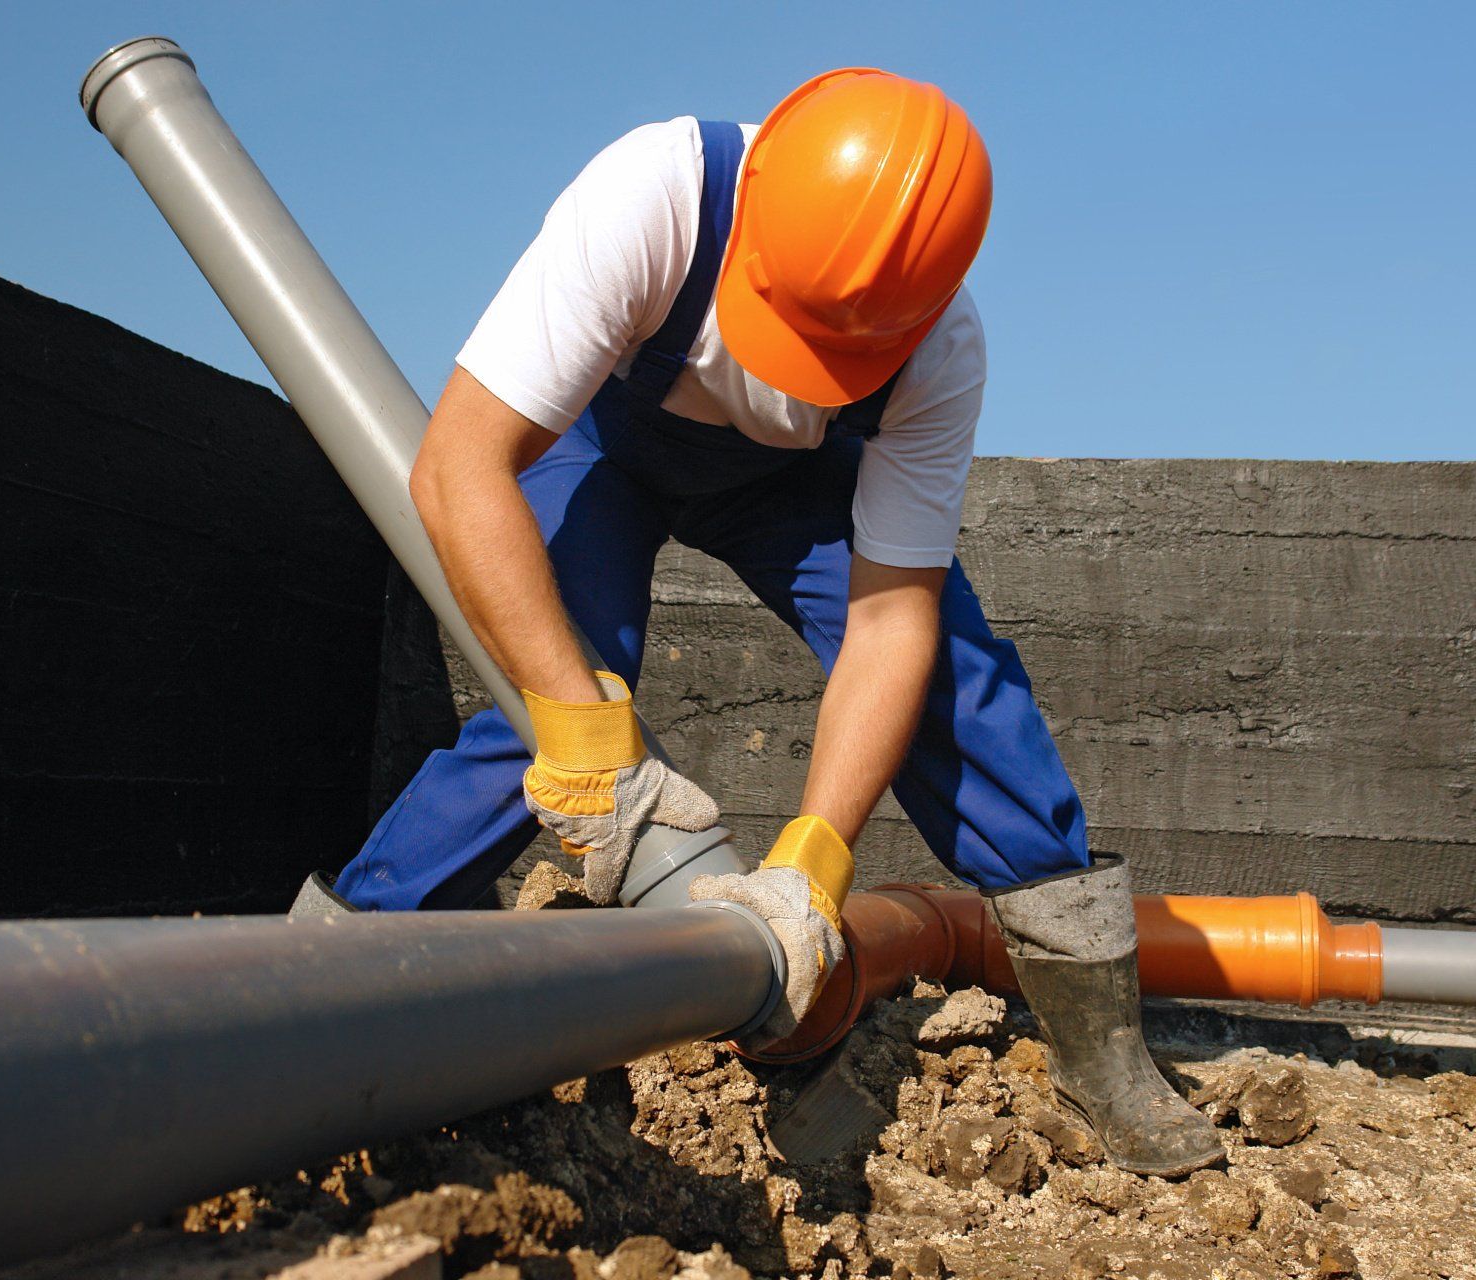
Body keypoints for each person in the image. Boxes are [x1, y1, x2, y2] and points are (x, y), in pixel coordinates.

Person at [291, 68, 1223, 1177]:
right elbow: (458, 467)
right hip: (609, 444)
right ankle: (322, 970)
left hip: (795, 485)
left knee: (956, 686)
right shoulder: (655, 197)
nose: (796, 372)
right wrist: (587, 737)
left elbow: (889, 624)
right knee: (546, 695)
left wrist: (813, 866)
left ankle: (1104, 1049)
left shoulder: (940, 350)